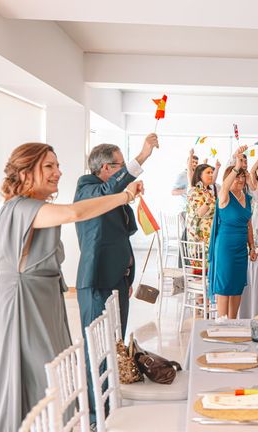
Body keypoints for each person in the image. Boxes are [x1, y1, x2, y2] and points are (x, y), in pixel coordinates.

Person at [0, 143, 144, 432]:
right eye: (49, 166)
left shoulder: (32, 207)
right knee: (35, 378)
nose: (58, 172)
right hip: (24, 304)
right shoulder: (23, 208)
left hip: (43, 301)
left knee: (52, 376)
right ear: (24, 172)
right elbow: (75, 213)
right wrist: (123, 196)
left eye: (57, 166)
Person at [74, 135, 157, 424]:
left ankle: (109, 401)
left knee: (114, 344)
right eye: (120, 165)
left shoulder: (109, 193)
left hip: (118, 279)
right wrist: (142, 157)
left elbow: (125, 230)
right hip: (97, 280)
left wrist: (129, 196)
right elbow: (110, 190)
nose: (123, 171)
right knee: (95, 348)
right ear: (106, 168)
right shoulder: (87, 188)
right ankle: (94, 415)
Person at [208, 146, 258, 318]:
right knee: (224, 285)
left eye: (243, 177)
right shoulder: (224, 196)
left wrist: (252, 247)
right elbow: (225, 186)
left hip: (240, 250)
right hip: (225, 248)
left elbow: (249, 224)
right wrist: (237, 165)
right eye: (237, 178)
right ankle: (221, 323)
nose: (240, 181)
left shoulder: (248, 199)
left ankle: (233, 321)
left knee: (237, 285)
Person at [186, 163, 217, 248]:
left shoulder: (208, 191)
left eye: (212, 172)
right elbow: (198, 214)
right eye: (208, 173)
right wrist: (207, 202)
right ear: (200, 175)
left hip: (211, 233)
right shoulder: (194, 191)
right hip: (200, 237)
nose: (211, 175)